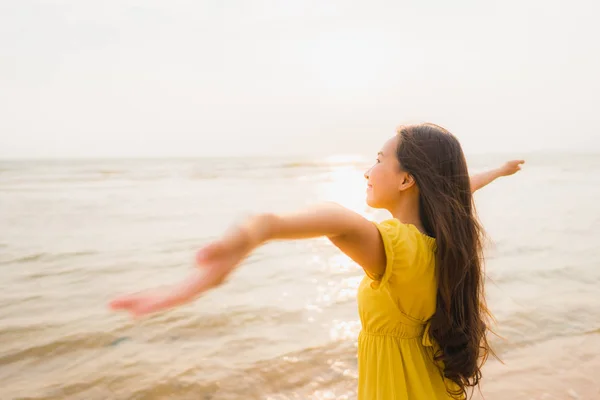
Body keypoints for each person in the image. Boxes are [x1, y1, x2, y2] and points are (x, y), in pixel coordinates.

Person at [110, 123, 524, 399]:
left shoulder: (398, 249)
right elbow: (454, 189)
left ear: (405, 180)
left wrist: (254, 231)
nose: (367, 170)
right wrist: (498, 172)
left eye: (379, 159)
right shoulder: (440, 245)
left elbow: (337, 220)